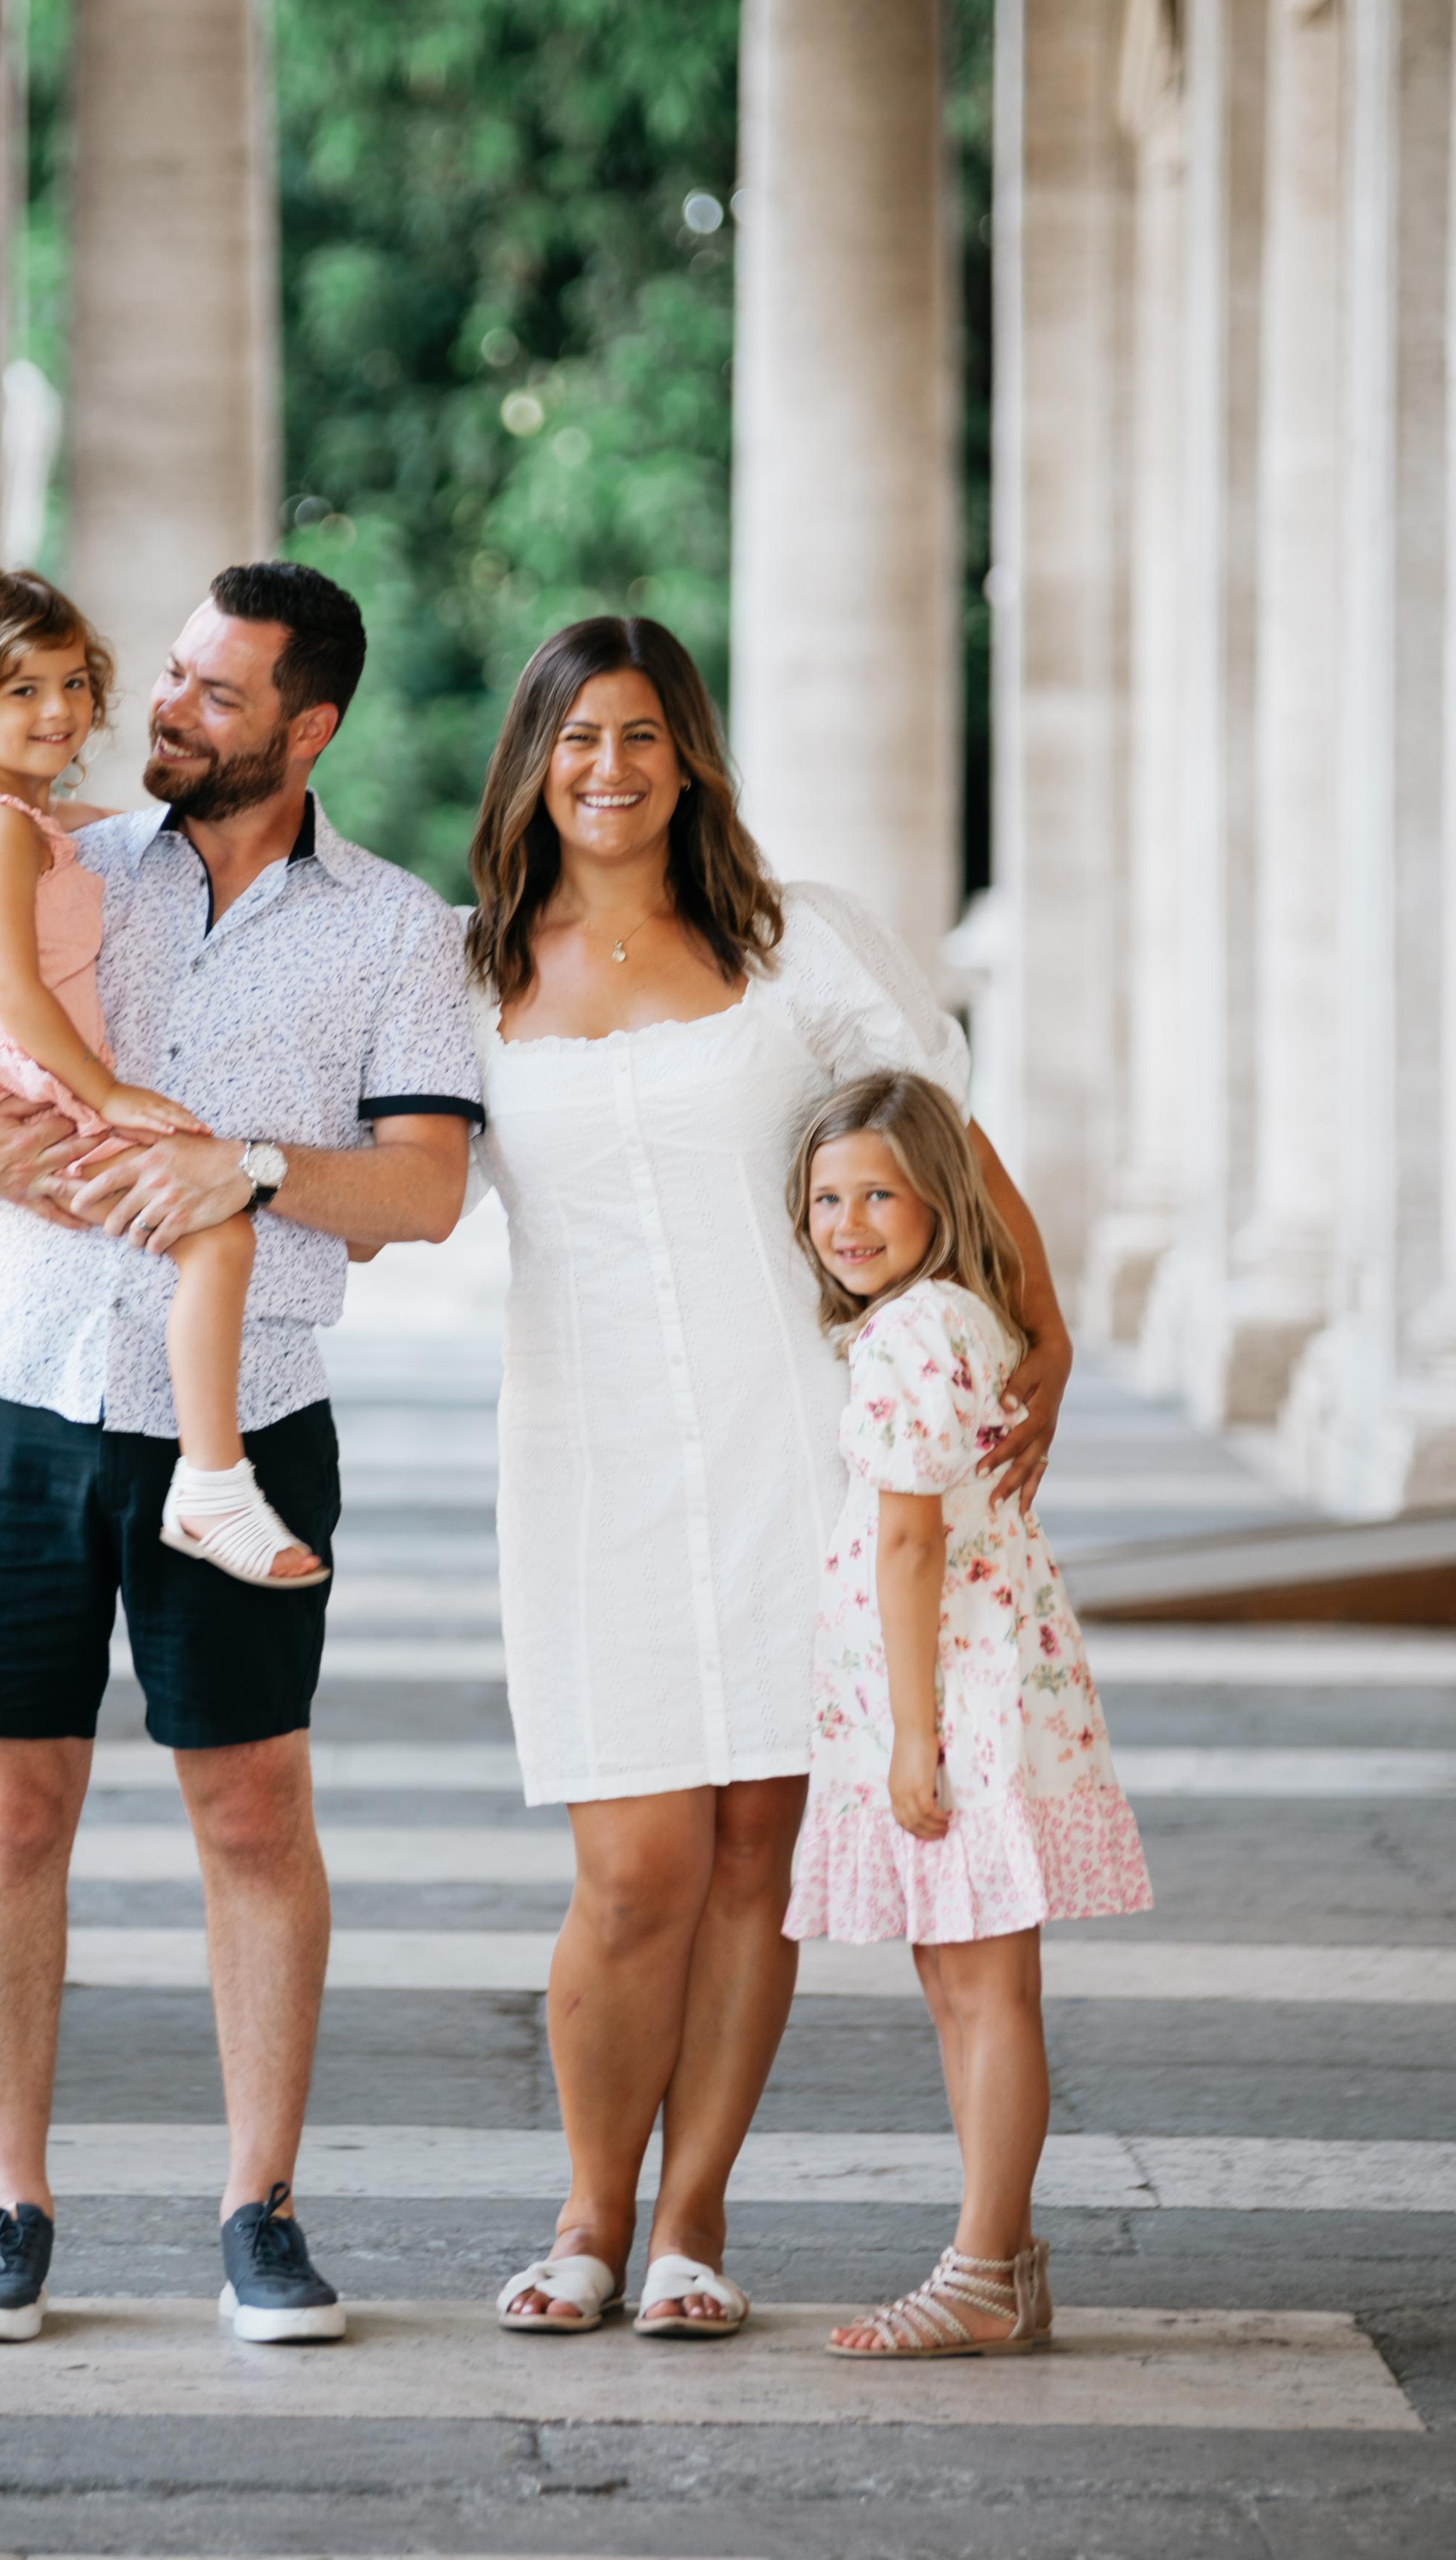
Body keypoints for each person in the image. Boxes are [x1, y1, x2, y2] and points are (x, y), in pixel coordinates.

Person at [0, 562, 482, 2347]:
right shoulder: (49, 857)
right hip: (11, 1384)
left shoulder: (398, 931)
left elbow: (423, 1191)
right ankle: (7, 2207)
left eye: (208, 691)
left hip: (245, 1413)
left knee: (252, 1811)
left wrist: (249, 1169)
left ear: (309, 725)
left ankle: (258, 2208)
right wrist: (16, 1161)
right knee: (10, 1808)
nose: (161, 713)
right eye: (168, 679)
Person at [464, 616, 1072, 2341]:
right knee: (629, 1866)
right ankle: (585, 2216)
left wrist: (1045, 1327)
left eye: (642, 736)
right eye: (576, 738)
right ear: (531, 763)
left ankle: (689, 2226)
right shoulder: (466, 969)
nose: (608, 769)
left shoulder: (787, 942)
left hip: (797, 1447)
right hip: (586, 1465)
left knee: (755, 1853)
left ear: (689, 757)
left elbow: (936, 1130)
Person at [0, 569, 321, 1592]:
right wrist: (106, 1099)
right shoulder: (5, 833)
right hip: (26, 1090)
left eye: (72, 684)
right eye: (21, 691)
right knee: (219, 1231)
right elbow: (15, 991)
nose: (58, 710)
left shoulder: (0, 826)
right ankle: (211, 1481)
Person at [786, 1070, 1151, 2358]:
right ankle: (998, 2259)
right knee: (959, 1982)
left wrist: (911, 1732)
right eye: (827, 1196)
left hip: (957, 1699)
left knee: (985, 1989)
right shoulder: (948, 1319)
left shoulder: (913, 1333)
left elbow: (908, 1543)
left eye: (879, 1191)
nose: (848, 1220)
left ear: (944, 1195)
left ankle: (987, 2267)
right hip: (974, 1686)